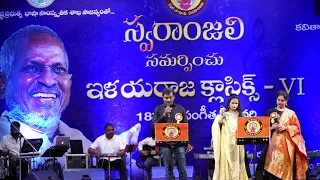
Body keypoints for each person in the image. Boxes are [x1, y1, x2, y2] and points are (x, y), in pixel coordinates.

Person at [0, 25, 141, 167]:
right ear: (3, 83)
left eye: (58, 69)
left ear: (69, 83)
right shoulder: (3, 138)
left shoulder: (75, 136)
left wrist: (123, 153)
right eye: (32, 67)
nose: (48, 81)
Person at [255, 91, 308, 180]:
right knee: (270, 169)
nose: (280, 102)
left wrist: (286, 127)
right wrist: (272, 128)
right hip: (271, 146)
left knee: (284, 170)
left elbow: (297, 128)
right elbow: (262, 129)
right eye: (278, 100)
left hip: (286, 148)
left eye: (282, 100)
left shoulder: (291, 113)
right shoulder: (270, 112)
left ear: (286, 101)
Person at [152, 87, 193, 180]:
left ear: (174, 96)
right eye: (166, 98)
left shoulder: (180, 109)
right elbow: (154, 125)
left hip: (179, 143)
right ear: (162, 97)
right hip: (165, 144)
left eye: (170, 97)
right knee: (168, 170)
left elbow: (185, 126)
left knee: (182, 169)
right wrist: (164, 115)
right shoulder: (158, 109)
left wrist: (188, 142)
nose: (168, 100)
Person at [211, 94, 251, 180]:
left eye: (236, 103)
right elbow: (217, 124)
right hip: (226, 143)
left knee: (238, 163)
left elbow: (244, 127)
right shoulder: (225, 114)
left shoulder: (241, 114)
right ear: (229, 103)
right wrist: (221, 115)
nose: (234, 105)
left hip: (238, 144)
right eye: (232, 103)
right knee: (227, 163)